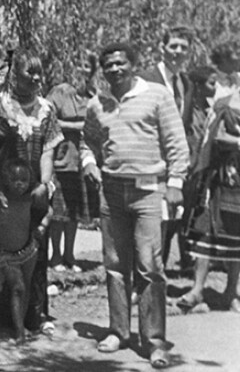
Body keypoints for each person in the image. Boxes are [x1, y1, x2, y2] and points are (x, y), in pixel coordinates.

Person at [81, 42, 189, 369]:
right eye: (108, 65)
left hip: (148, 193)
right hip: (111, 193)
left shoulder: (157, 94)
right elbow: (88, 140)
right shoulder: (98, 104)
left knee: (150, 266)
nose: (115, 69)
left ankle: (154, 341)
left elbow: (176, 143)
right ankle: (118, 331)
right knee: (114, 264)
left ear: (132, 64)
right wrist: (88, 162)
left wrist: (175, 184)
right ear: (103, 70)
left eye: (120, 63)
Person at [0, 49, 63, 336]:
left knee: (36, 250)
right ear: (13, 76)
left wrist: (44, 184)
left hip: (34, 193)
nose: (35, 78)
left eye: (38, 72)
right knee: (2, 251)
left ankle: (36, 316)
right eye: (28, 72)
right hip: (6, 193)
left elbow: (48, 150)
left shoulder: (46, 109)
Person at [179, 71, 240, 313]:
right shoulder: (225, 104)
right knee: (206, 231)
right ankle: (197, 289)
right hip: (218, 177)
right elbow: (213, 136)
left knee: (237, 235)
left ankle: (231, 291)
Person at [138, 25, 195, 270]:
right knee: (149, 224)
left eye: (183, 47)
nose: (178, 52)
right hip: (148, 163)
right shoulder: (145, 79)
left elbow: (186, 126)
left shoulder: (186, 83)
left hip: (174, 167)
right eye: (173, 46)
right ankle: (142, 281)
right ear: (162, 48)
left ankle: (156, 282)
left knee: (170, 221)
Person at [46, 52, 98, 272]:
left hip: (81, 162)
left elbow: (97, 125)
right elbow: (47, 119)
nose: (82, 70)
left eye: (87, 66)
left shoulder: (92, 97)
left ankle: (70, 254)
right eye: (79, 64)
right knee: (58, 213)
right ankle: (56, 256)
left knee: (74, 213)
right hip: (60, 159)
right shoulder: (59, 93)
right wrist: (77, 126)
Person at [0, 157, 49, 343]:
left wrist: (42, 227)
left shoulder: (30, 197)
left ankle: (21, 324)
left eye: (24, 180)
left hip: (28, 249)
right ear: (7, 180)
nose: (19, 184)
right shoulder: (0, 199)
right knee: (18, 287)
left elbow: (49, 211)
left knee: (26, 288)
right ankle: (19, 331)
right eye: (15, 180)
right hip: (7, 254)